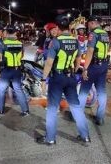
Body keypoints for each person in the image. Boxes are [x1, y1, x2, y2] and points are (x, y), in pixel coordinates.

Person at [36, 15, 90, 145]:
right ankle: (85, 136)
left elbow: (49, 63)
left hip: (57, 78)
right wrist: (74, 69)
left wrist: (43, 79)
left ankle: (50, 138)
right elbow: (78, 59)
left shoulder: (56, 41)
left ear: (58, 27)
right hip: (70, 77)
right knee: (76, 107)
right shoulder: (75, 41)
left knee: (52, 108)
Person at [79, 16, 110, 125]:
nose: (87, 26)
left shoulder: (94, 34)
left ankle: (79, 115)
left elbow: (90, 51)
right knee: (101, 91)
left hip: (94, 65)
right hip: (104, 65)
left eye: (88, 24)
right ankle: (100, 118)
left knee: (84, 89)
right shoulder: (105, 33)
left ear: (92, 23)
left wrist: (85, 68)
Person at [0, 25, 29, 116]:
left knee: (2, 90)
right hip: (17, 70)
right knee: (18, 90)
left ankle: (0, 110)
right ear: (15, 32)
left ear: (7, 32)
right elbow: (22, 56)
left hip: (6, 70)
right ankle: (25, 110)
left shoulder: (3, 43)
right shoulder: (20, 43)